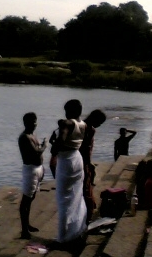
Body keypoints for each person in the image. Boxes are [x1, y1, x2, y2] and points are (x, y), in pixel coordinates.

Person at [54, 99, 88, 246]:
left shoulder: (67, 123)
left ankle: (62, 236)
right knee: (76, 196)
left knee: (63, 199)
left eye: (67, 110)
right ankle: (76, 230)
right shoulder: (83, 124)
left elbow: (61, 141)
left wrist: (53, 147)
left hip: (66, 161)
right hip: (77, 158)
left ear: (71, 111)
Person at [18, 112, 47, 239]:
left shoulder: (32, 135)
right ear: (26, 123)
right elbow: (36, 152)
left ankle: (27, 224)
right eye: (32, 122)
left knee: (31, 198)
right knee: (26, 200)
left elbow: (37, 149)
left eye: (36, 121)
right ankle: (24, 230)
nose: (35, 124)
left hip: (38, 169)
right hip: (30, 170)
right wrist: (45, 145)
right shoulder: (24, 137)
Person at [79, 109, 107, 226]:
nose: (99, 126)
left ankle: (86, 215)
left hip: (81, 162)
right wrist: (88, 163)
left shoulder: (82, 126)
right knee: (86, 191)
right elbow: (85, 149)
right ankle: (87, 218)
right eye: (99, 123)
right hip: (82, 163)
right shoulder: (89, 129)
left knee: (85, 190)